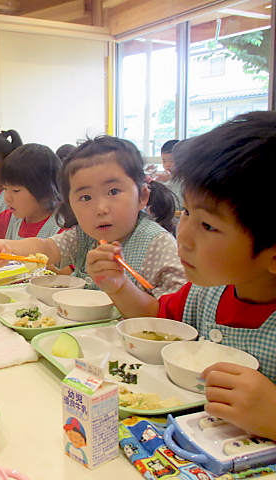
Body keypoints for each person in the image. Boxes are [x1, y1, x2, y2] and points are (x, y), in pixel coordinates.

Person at [103, 112, 276, 441]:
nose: (183, 236)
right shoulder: (205, 292)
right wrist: (119, 286)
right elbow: (156, 320)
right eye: (186, 212)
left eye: (208, 226)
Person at [0, 135, 185, 300]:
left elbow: (173, 313)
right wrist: (8, 248)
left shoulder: (158, 244)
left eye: (113, 191)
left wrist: (122, 289)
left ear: (141, 196)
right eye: (86, 197)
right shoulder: (83, 236)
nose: (100, 208)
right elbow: (47, 248)